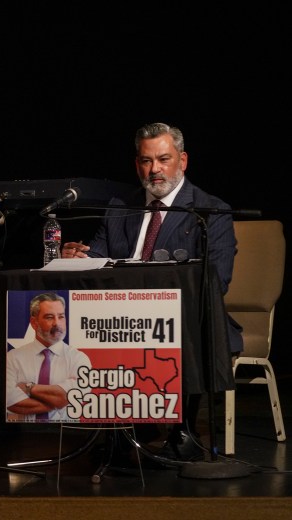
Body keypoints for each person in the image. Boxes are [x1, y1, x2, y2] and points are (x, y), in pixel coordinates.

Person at [62, 122, 241, 460]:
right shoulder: (119, 206)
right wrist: (79, 257)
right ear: (137, 164)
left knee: (184, 327)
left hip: (181, 319)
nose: (154, 170)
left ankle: (181, 430)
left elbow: (218, 280)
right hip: (120, 317)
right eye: (146, 161)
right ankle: (121, 429)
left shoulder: (209, 211)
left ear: (183, 160)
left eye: (163, 159)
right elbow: (99, 259)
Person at [6, 292, 92, 422]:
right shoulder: (13, 358)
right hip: (24, 435)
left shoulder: (78, 359)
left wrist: (29, 387)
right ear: (34, 322)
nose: (57, 323)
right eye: (49, 317)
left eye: (61, 317)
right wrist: (57, 401)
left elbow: (69, 396)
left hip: (68, 434)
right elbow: (11, 402)